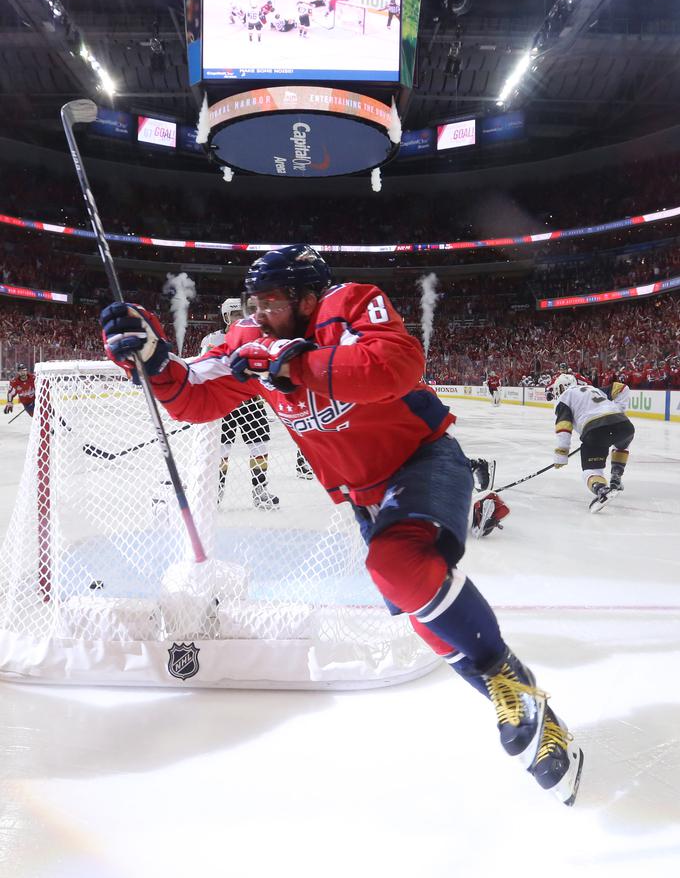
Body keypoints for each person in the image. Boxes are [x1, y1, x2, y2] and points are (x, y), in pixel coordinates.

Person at [100, 244, 583, 805]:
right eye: (254, 303)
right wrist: (152, 356)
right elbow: (193, 395)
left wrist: (292, 361)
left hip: (423, 459)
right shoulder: (249, 341)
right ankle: (538, 722)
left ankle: (514, 684)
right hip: (366, 496)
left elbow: (394, 366)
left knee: (394, 565)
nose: (258, 315)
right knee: (415, 601)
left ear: (309, 299)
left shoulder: (353, 304)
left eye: (272, 303)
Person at [200, 298, 279, 510]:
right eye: (234, 315)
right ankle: (215, 493)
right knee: (222, 451)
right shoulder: (213, 339)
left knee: (259, 447)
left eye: (240, 314)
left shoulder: (255, 335)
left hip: (251, 402)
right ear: (226, 316)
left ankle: (260, 491)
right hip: (224, 403)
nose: (238, 318)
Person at [547, 373, 634, 512]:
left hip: (596, 429)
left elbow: (564, 426)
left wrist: (562, 453)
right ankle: (616, 477)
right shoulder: (593, 389)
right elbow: (623, 388)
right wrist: (618, 411)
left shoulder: (564, 398)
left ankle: (602, 490)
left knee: (591, 471)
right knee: (621, 443)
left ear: (561, 387)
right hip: (624, 424)